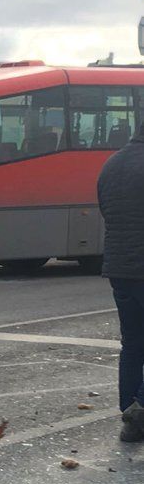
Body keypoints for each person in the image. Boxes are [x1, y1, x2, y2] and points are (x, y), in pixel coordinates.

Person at [97, 121, 144, 442]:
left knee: (132, 343)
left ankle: (130, 414)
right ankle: (139, 408)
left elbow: (106, 211)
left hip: (119, 268)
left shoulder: (112, 164)